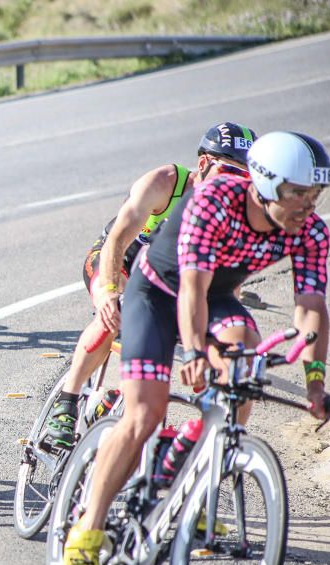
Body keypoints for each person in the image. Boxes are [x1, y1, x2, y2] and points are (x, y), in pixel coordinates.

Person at [62, 131, 330, 565]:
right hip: (157, 293)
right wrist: (192, 353)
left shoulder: (310, 230)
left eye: (316, 194)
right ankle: (88, 526)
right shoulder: (215, 202)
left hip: (216, 296)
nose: (308, 206)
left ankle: (193, 467)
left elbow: (311, 306)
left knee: (243, 357)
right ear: (265, 185)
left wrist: (313, 382)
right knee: (144, 413)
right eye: (298, 194)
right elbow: (189, 289)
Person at [42, 122, 257, 451]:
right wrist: (110, 291)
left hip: (165, 275)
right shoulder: (165, 183)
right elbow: (117, 238)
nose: (234, 185)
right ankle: (66, 403)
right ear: (203, 165)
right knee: (113, 314)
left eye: (244, 179)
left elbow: (225, 282)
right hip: (120, 258)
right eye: (228, 172)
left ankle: (125, 410)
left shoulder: (230, 209)